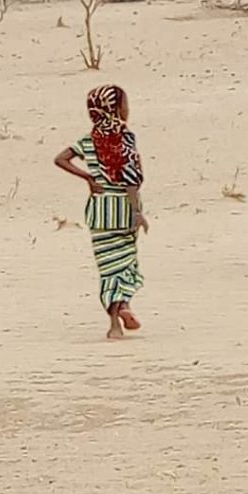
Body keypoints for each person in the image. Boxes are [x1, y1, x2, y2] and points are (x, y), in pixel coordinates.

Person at [54, 85, 148, 340]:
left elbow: (60, 159)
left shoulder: (87, 141)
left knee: (108, 267)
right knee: (126, 262)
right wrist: (137, 212)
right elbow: (130, 179)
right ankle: (124, 306)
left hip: (99, 212)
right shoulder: (125, 138)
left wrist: (87, 176)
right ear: (116, 109)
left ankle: (115, 323)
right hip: (122, 211)